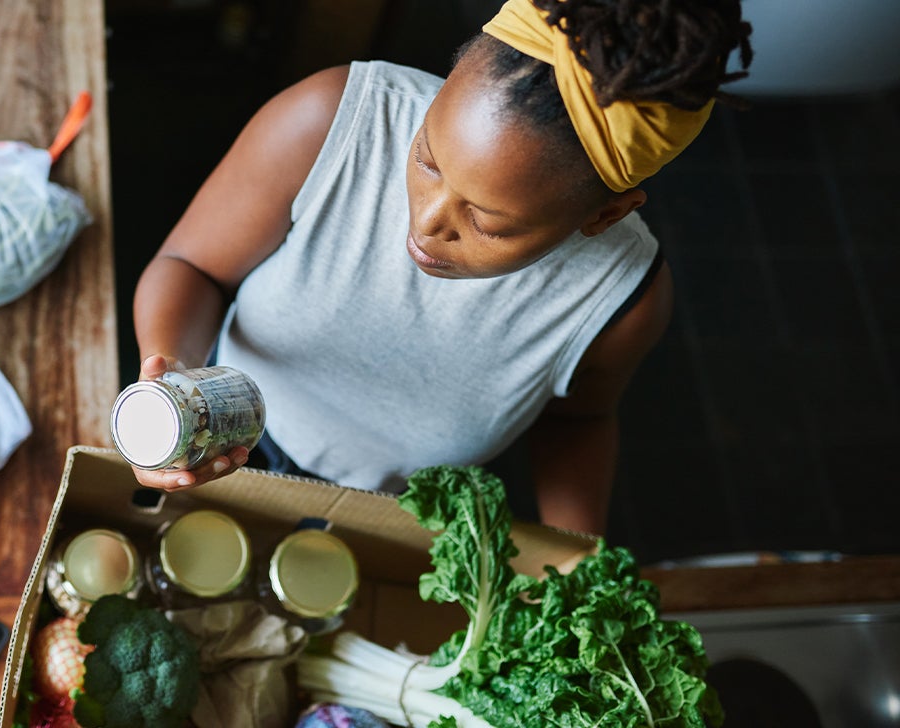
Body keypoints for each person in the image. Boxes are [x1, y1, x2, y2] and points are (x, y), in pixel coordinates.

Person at [128, 0, 752, 534]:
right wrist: (173, 384)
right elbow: (191, 266)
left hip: (386, 514)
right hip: (222, 423)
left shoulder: (622, 302)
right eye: (426, 159)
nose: (426, 222)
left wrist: (578, 560)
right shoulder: (333, 119)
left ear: (606, 215)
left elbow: (579, 419)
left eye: (488, 220)